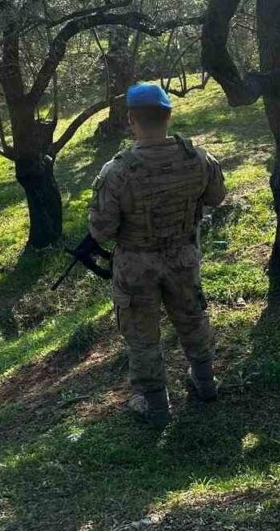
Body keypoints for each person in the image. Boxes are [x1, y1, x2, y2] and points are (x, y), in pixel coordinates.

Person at [85, 81, 227, 425]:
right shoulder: (198, 158)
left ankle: (156, 405)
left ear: (131, 119)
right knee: (192, 317)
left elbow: (101, 230)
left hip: (136, 265)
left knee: (142, 334)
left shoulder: (116, 171)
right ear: (169, 115)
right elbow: (216, 198)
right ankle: (206, 383)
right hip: (182, 256)